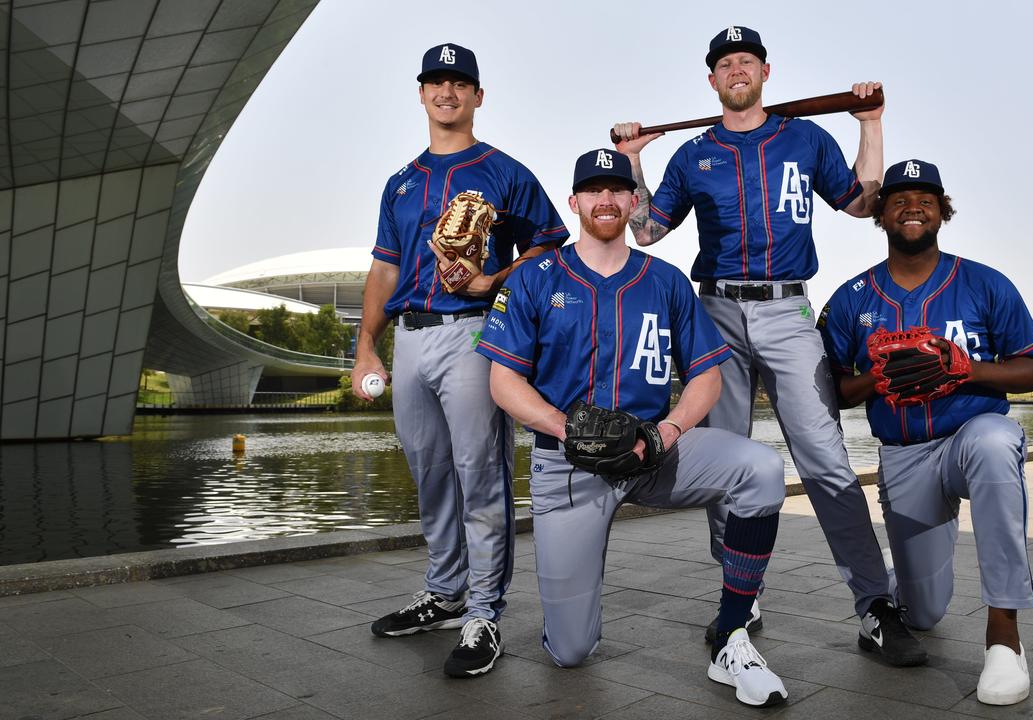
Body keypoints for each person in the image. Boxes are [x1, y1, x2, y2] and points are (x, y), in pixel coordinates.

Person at [611, 25, 924, 665]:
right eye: (725, 64)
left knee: (826, 461)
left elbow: (862, 204)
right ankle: (739, 597)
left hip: (787, 308)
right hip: (715, 311)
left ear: (765, 71)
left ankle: (874, 605)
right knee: (725, 463)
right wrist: (634, 160)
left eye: (745, 60)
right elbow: (644, 232)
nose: (736, 70)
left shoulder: (805, 137)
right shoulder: (693, 154)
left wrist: (870, 123)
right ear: (712, 80)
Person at [479, 148, 789, 707]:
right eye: (593, 190)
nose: (605, 199)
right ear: (574, 202)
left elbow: (706, 380)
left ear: (632, 200)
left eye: (616, 189)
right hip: (567, 462)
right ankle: (569, 615)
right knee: (571, 651)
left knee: (761, 467)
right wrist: (567, 425)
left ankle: (732, 630)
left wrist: (664, 433)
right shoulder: (533, 278)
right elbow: (504, 384)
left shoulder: (666, 280)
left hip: (653, 453)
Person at [352, 43, 568, 679]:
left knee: (481, 473)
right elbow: (384, 267)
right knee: (429, 474)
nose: (447, 92)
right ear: (420, 94)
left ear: (478, 95)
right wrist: (366, 343)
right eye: (436, 82)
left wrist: (493, 278)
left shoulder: (505, 171)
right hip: (410, 335)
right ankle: (444, 594)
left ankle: (483, 613)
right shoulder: (401, 182)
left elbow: (552, 248)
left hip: (476, 332)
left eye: (459, 83)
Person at [818, 158, 1033, 705]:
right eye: (899, 198)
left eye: (925, 197)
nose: (913, 206)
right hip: (905, 455)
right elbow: (831, 388)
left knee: (996, 444)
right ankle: (899, 597)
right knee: (923, 613)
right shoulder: (852, 298)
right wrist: (874, 380)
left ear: (942, 211)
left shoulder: (983, 281)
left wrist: (965, 369)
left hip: (970, 435)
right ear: (880, 213)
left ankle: (1005, 637)